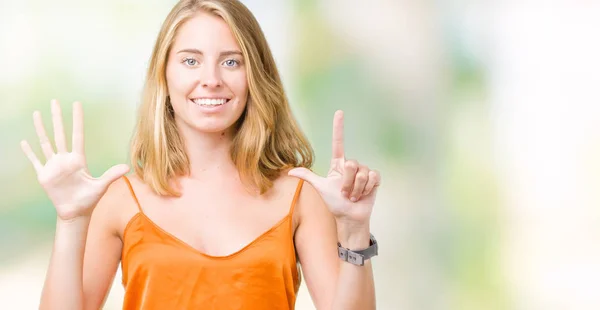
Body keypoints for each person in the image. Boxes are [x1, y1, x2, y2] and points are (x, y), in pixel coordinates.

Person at [20, 0, 381, 309]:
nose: (211, 79)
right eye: (191, 61)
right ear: (163, 75)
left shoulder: (300, 196)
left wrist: (353, 231)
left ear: (255, 75)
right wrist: (70, 220)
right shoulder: (120, 199)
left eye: (231, 62)